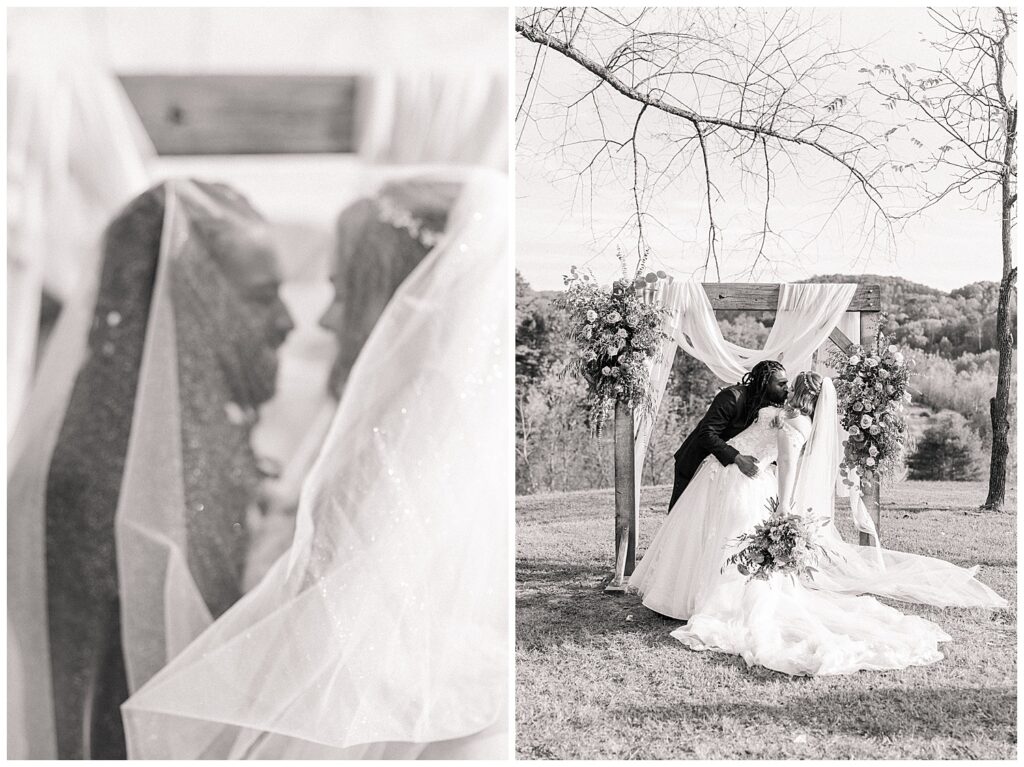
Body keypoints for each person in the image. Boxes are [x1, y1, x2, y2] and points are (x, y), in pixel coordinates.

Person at [120, 169, 509, 759]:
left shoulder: (388, 449)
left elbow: (321, 643)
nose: (324, 319)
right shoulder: (455, 427)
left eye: (342, 291)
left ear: (396, 299)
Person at [9, 179, 293, 759]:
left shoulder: (190, 430)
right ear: (187, 306)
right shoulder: (102, 474)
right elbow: (100, 708)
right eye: (262, 297)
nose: (288, 321)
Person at [634, 372, 1006, 675]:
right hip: (727, 473)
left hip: (744, 479)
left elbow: (787, 464)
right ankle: (686, 594)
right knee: (711, 536)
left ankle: (714, 600)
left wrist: (783, 507)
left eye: (790, 385)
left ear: (802, 393)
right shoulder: (784, 413)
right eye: (783, 384)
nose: (785, 388)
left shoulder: (794, 422)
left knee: (729, 539)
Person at [668, 360, 788, 510]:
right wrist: (738, 458)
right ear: (764, 384)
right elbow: (707, 434)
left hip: (726, 472)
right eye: (781, 384)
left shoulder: (769, 402)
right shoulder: (731, 397)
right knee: (683, 513)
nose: (786, 388)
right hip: (696, 463)